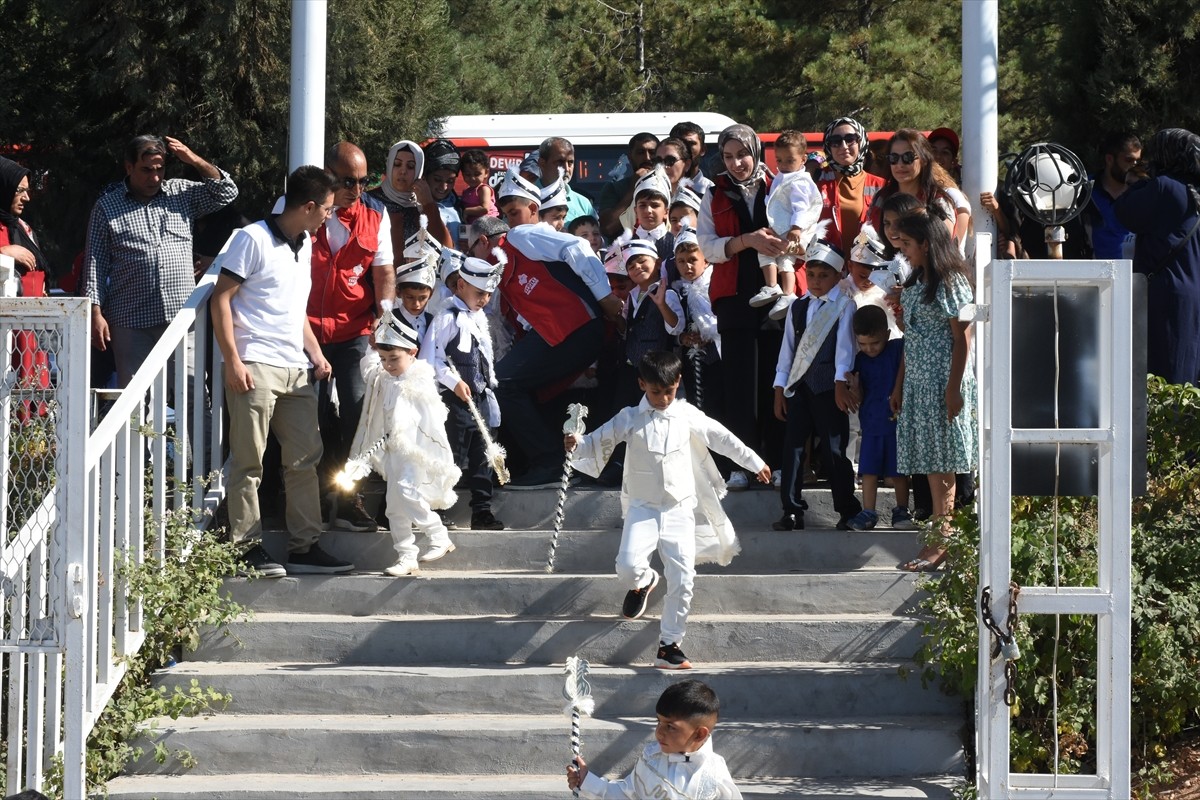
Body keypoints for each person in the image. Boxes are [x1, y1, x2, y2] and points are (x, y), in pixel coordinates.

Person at [565, 350, 770, 670]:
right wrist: (577, 443)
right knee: (628, 565)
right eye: (655, 391)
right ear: (642, 384)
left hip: (679, 508)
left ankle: (670, 643)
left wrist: (754, 462)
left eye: (668, 391)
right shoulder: (630, 417)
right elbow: (597, 440)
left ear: (678, 383)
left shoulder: (688, 415)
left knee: (683, 576)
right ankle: (643, 581)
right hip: (642, 507)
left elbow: (722, 438)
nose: (662, 398)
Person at [210, 165, 352, 577]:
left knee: (305, 459)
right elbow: (222, 300)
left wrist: (316, 352)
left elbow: (294, 308)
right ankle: (245, 549)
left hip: (296, 368)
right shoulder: (250, 238)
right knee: (249, 461)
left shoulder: (305, 242)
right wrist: (233, 361)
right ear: (308, 206)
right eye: (326, 208)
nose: (330, 214)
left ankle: (305, 546)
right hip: (254, 366)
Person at [492, 168, 624, 488]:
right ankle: (566, 463)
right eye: (506, 215)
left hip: (572, 328)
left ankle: (548, 462)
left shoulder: (523, 234)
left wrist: (605, 298)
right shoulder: (515, 245)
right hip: (572, 332)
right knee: (525, 389)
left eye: (515, 212)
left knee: (504, 384)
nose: (510, 221)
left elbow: (577, 248)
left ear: (534, 210)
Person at [84, 134, 238, 387]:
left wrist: (193, 159)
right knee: (134, 400)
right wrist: (95, 312)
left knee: (192, 394)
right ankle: (136, 430)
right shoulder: (106, 207)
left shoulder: (180, 193)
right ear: (129, 167)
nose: (155, 177)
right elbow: (95, 263)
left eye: (160, 169)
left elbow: (226, 192)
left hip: (181, 318)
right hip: (130, 321)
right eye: (146, 170)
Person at [308, 141, 396, 532]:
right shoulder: (303, 207)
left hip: (355, 330)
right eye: (346, 181)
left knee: (359, 413)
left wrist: (386, 317)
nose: (355, 190)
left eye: (363, 181)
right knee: (308, 416)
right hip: (304, 329)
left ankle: (348, 499)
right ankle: (307, 498)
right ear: (327, 174)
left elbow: (384, 273)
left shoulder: (377, 214)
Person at [889, 209, 977, 570]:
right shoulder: (916, 281)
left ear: (926, 243)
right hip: (918, 384)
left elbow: (963, 340)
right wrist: (899, 385)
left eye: (907, 243)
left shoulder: (952, 281)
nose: (903, 250)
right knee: (930, 461)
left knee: (944, 460)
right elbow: (912, 339)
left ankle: (943, 537)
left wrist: (953, 388)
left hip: (944, 380)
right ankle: (940, 535)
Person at [696, 123, 782, 491]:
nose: (737, 163)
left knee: (774, 383)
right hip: (734, 300)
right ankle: (741, 466)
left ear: (756, 152)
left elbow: (799, 230)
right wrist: (745, 240)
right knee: (739, 387)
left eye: (743, 154)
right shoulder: (712, 195)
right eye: (729, 157)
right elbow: (708, 247)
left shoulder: (778, 186)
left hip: (775, 298)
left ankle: (777, 462)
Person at [350, 311, 460, 576]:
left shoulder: (419, 380)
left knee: (408, 490)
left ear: (412, 352)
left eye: (394, 359)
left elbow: (431, 419)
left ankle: (438, 535)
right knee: (394, 506)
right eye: (385, 359)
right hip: (394, 452)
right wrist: (371, 344)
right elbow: (369, 367)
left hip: (415, 449)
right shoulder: (384, 378)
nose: (388, 364)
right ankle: (406, 555)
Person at [771, 241, 862, 531]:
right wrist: (779, 388)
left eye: (824, 275)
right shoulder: (797, 307)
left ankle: (847, 510)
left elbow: (845, 350)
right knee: (793, 448)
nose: (816, 281)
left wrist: (840, 383)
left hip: (828, 387)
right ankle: (792, 510)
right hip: (798, 387)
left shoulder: (844, 306)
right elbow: (787, 350)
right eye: (811, 275)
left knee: (834, 450)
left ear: (838, 275)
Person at [421, 254, 506, 531]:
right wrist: (451, 381)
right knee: (451, 455)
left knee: (484, 454)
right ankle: (433, 507)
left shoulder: (479, 318)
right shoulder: (447, 318)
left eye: (489, 294)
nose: (484, 299)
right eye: (479, 293)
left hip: (480, 397)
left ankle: (481, 510)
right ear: (460, 285)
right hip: (454, 400)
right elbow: (431, 358)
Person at [1115, 127, 1200, 385]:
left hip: (1167, 294)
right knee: (1189, 373)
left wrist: (1140, 182)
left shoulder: (1165, 187)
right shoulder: (1194, 191)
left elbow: (1124, 212)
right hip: (1195, 291)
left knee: (1164, 373)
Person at [567, 679, 742, 799]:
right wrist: (587, 781)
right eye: (659, 722)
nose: (659, 732)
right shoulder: (651, 756)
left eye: (670, 727)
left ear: (699, 734)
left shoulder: (715, 777)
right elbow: (626, 794)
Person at [844, 305, 913, 530]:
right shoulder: (859, 361)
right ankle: (868, 512)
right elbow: (861, 396)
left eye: (874, 343)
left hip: (896, 423)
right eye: (863, 344)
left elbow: (910, 346)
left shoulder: (897, 349)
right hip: (871, 423)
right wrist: (854, 390)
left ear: (887, 334)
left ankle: (902, 510)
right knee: (869, 470)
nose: (870, 349)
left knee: (898, 471)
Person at [754, 130, 823, 321]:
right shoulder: (785, 176)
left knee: (768, 252)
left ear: (803, 159)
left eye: (790, 160)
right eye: (779, 160)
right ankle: (786, 293)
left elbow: (801, 207)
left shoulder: (799, 181)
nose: (783, 165)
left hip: (788, 229)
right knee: (785, 260)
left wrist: (796, 228)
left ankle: (773, 286)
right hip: (783, 227)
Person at [869, 129, 971, 249]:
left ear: (924, 160)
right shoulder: (881, 198)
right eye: (894, 158)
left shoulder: (938, 201)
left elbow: (943, 249)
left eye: (908, 157)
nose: (900, 164)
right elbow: (866, 235)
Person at [617, 238, 684, 408]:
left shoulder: (667, 293)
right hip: (632, 367)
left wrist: (661, 305)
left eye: (642, 261)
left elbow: (676, 328)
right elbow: (627, 331)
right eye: (631, 267)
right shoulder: (632, 296)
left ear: (658, 262)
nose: (637, 267)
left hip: (657, 370)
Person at [817, 117, 885, 257]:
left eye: (850, 139)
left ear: (862, 142)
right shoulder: (814, 182)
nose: (843, 146)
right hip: (825, 273)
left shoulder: (882, 186)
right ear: (828, 147)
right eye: (835, 141)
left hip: (868, 272)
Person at [373, 139, 453, 258]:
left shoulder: (421, 205)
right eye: (397, 164)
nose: (403, 171)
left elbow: (446, 250)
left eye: (411, 166)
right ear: (389, 165)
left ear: (419, 171)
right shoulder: (371, 201)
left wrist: (428, 205)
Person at [673, 226, 721, 416]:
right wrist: (682, 338)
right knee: (696, 406)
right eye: (681, 262)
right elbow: (673, 324)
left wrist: (710, 333)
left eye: (693, 260)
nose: (688, 267)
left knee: (717, 404)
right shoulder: (678, 291)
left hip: (717, 356)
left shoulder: (715, 285)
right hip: (691, 358)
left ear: (705, 259)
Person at [1083, 131, 1142, 259]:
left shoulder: (1143, 192)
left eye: (1137, 161)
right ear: (1109, 159)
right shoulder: (1086, 191)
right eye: (1129, 160)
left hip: (1134, 275)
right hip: (1095, 273)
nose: (1134, 166)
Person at [0, 157, 50, 297]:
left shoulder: (23, 229)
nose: (26, 197)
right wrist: (4, 253)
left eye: (27, 191)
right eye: (19, 190)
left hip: (23, 314)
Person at [598, 132, 661, 239]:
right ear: (630, 157)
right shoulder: (614, 188)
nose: (647, 158)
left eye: (652, 152)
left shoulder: (669, 186)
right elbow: (608, 228)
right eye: (640, 152)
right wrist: (634, 189)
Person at [537, 137, 597, 226]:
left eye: (570, 162)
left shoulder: (583, 203)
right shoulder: (526, 198)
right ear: (542, 163)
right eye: (560, 162)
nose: (566, 168)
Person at [424, 138, 464, 247]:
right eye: (437, 179)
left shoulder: (458, 205)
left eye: (450, 181)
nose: (444, 187)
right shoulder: (412, 205)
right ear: (425, 176)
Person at [671, 120, 717, 193]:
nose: (685, 148)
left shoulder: (711, 190)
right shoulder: (660, 186)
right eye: (680, 143)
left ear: (703, 149)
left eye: (691, 143)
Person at [459, 149, 497, 224]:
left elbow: (485, 208)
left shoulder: (483, 189)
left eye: (477, 174)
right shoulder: (466, 191)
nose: (472, 178)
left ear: (486, 173)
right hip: (474, 227)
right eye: (468, 174)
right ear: (463, 174)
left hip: (488, 226)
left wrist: (466, 211)